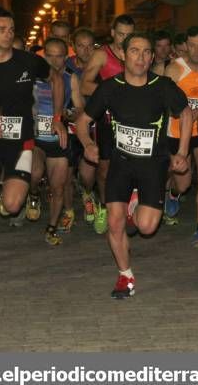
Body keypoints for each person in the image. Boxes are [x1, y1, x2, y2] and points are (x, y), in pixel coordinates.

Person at [75, 32, 192, 298]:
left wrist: (183, 151)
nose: (141, 57)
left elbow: (185, 113)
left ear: (152, 57)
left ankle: (137, 201)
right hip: (120, 163)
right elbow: (83, 122)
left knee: (147, 227)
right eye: (135, 51)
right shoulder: (110, 87)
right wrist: (88, 145)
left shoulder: (163, 86)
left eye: (146, 52)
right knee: (115, 223)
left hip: (154, 165)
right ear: (124, 56)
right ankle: (125, 276)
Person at [0, 7, 67, 287]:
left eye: (11, 29)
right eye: (1, 29)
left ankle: (10, 191)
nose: (8, 34)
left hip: (21, 142)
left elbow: (56, 78)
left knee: (11, 204)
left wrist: (57, 118)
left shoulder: (28, 61)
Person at [80, 15, 135, 235]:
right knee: (104, 170)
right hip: (108, 120)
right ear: (112, 32)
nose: (124, 38)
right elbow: (84, 86)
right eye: (121, 34)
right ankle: (103, 205)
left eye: (129, 34)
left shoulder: (137, 52)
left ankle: (127, 208)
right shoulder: (102, 54)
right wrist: (113, 94)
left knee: (133, 166)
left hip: (133, 121)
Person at [164, 27, 198, 247]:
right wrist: (186, 112)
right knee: (184, 183)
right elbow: (165, 107)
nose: (196, 50)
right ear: (185, 45)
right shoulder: (175, 70)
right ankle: (174, 192)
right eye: (192, 44)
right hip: (179, 131)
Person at [30, 37, 85, 244]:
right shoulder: (34, 76)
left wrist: (69, 114)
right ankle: (33, 194)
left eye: (59, 56)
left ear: (66, 57)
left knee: (58, 187)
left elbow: (80, 107)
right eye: (49, 56)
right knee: (34, 174)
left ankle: (51, 227)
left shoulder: (71, 78)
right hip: (35, 138)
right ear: (44, 56)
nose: (54, 61)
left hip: (58, 137)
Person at [67, 28, 97, 224]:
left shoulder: (101, 68)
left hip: (93, 128)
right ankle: (68, 212)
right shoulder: (64, 66)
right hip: (67, 126)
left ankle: (87, 192)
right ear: (73, 47)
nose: (86, 51)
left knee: (87, 175)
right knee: (64, 173)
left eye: (90, 46)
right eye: (81, 46)